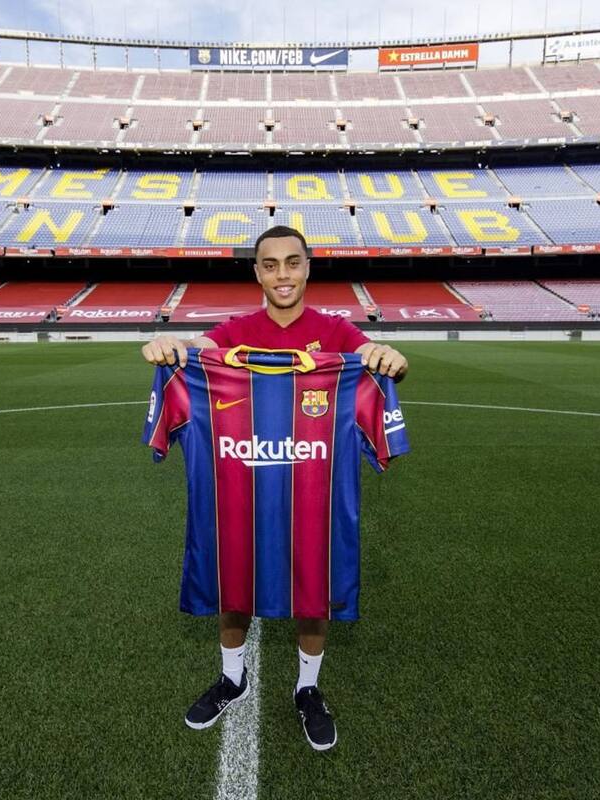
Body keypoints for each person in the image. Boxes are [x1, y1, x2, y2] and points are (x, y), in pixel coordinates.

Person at [141, 224, 408, 751]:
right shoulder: (232, 332)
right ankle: (232, 678)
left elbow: (374, 355)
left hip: (313, 497)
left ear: (308, 267)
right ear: (257, 272)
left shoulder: (339, 336)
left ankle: (308, 688)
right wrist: (170, 344)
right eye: (270, 263)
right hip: (238, 493)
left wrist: (392, 359)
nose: (282, 274)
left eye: (292, 262)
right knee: (231, 580)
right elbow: (196, 350)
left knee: (315, 591)